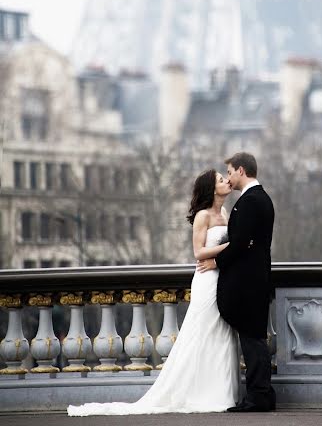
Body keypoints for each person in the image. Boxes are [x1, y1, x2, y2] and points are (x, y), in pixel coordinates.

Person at [67, 169, 239, 416]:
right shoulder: (203, 215)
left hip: (222, 277)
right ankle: (200, 392)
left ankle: (221, 391)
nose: (226, 181)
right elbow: (198, 253)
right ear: (212, 189)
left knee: (222, 333)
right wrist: (232, 246)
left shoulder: (223, 212)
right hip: (207, 280)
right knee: (202, 332)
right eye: (221, 180)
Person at [197, 151, 275, 412]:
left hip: (248, 283)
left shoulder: (250, 201)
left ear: (241, 170)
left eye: (229, 172)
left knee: (252, 341)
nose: (228, 178)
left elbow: (242, 243)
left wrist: (216, 263)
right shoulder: (258, 198)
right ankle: (261, 395)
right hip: (256, 280)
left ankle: (258, 397)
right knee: (254, 339)